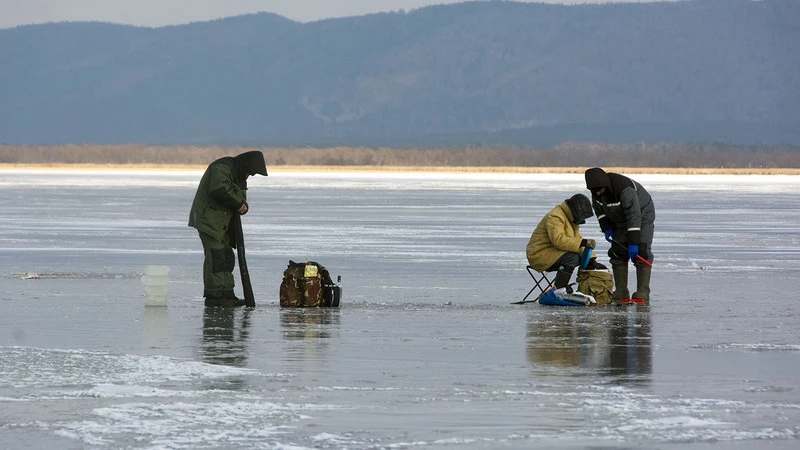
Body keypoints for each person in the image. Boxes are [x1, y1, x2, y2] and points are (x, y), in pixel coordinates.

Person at [189, 151, 268, 307]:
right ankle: (215, 296)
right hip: (209, 221)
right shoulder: (221, 168)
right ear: (243, 166)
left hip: (223, 223)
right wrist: (239, 205)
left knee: (226, 257)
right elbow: (219, 190)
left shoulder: (239, 176)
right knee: (216, 257)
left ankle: (227, 293)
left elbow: (241, 200)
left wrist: (243, 206)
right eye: (248, 173)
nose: (247, 176)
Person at [584, 167, 655, 304]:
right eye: (594, 191)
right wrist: (607, 228)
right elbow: (600, 212)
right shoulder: (596, 192)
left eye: (600, 189)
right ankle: (621, 291)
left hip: (642, 214)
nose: (597, 193)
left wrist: (634, 242)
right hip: (618, 218)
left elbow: (634, 216)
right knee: (618, 251)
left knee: (642, 250)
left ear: (605, 185)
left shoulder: (624, 189)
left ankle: (642, 292)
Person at [526, 193, 605, 293]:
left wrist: (592, 260)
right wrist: (583, 242)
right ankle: (558, 289)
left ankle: (583, 289)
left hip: (553, 252)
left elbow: (576, 240)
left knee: (581, 257)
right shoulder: (555, 217)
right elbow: (559, 240)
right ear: (576, 211)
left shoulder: (570, 219)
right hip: (538, 254)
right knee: (572, 257)